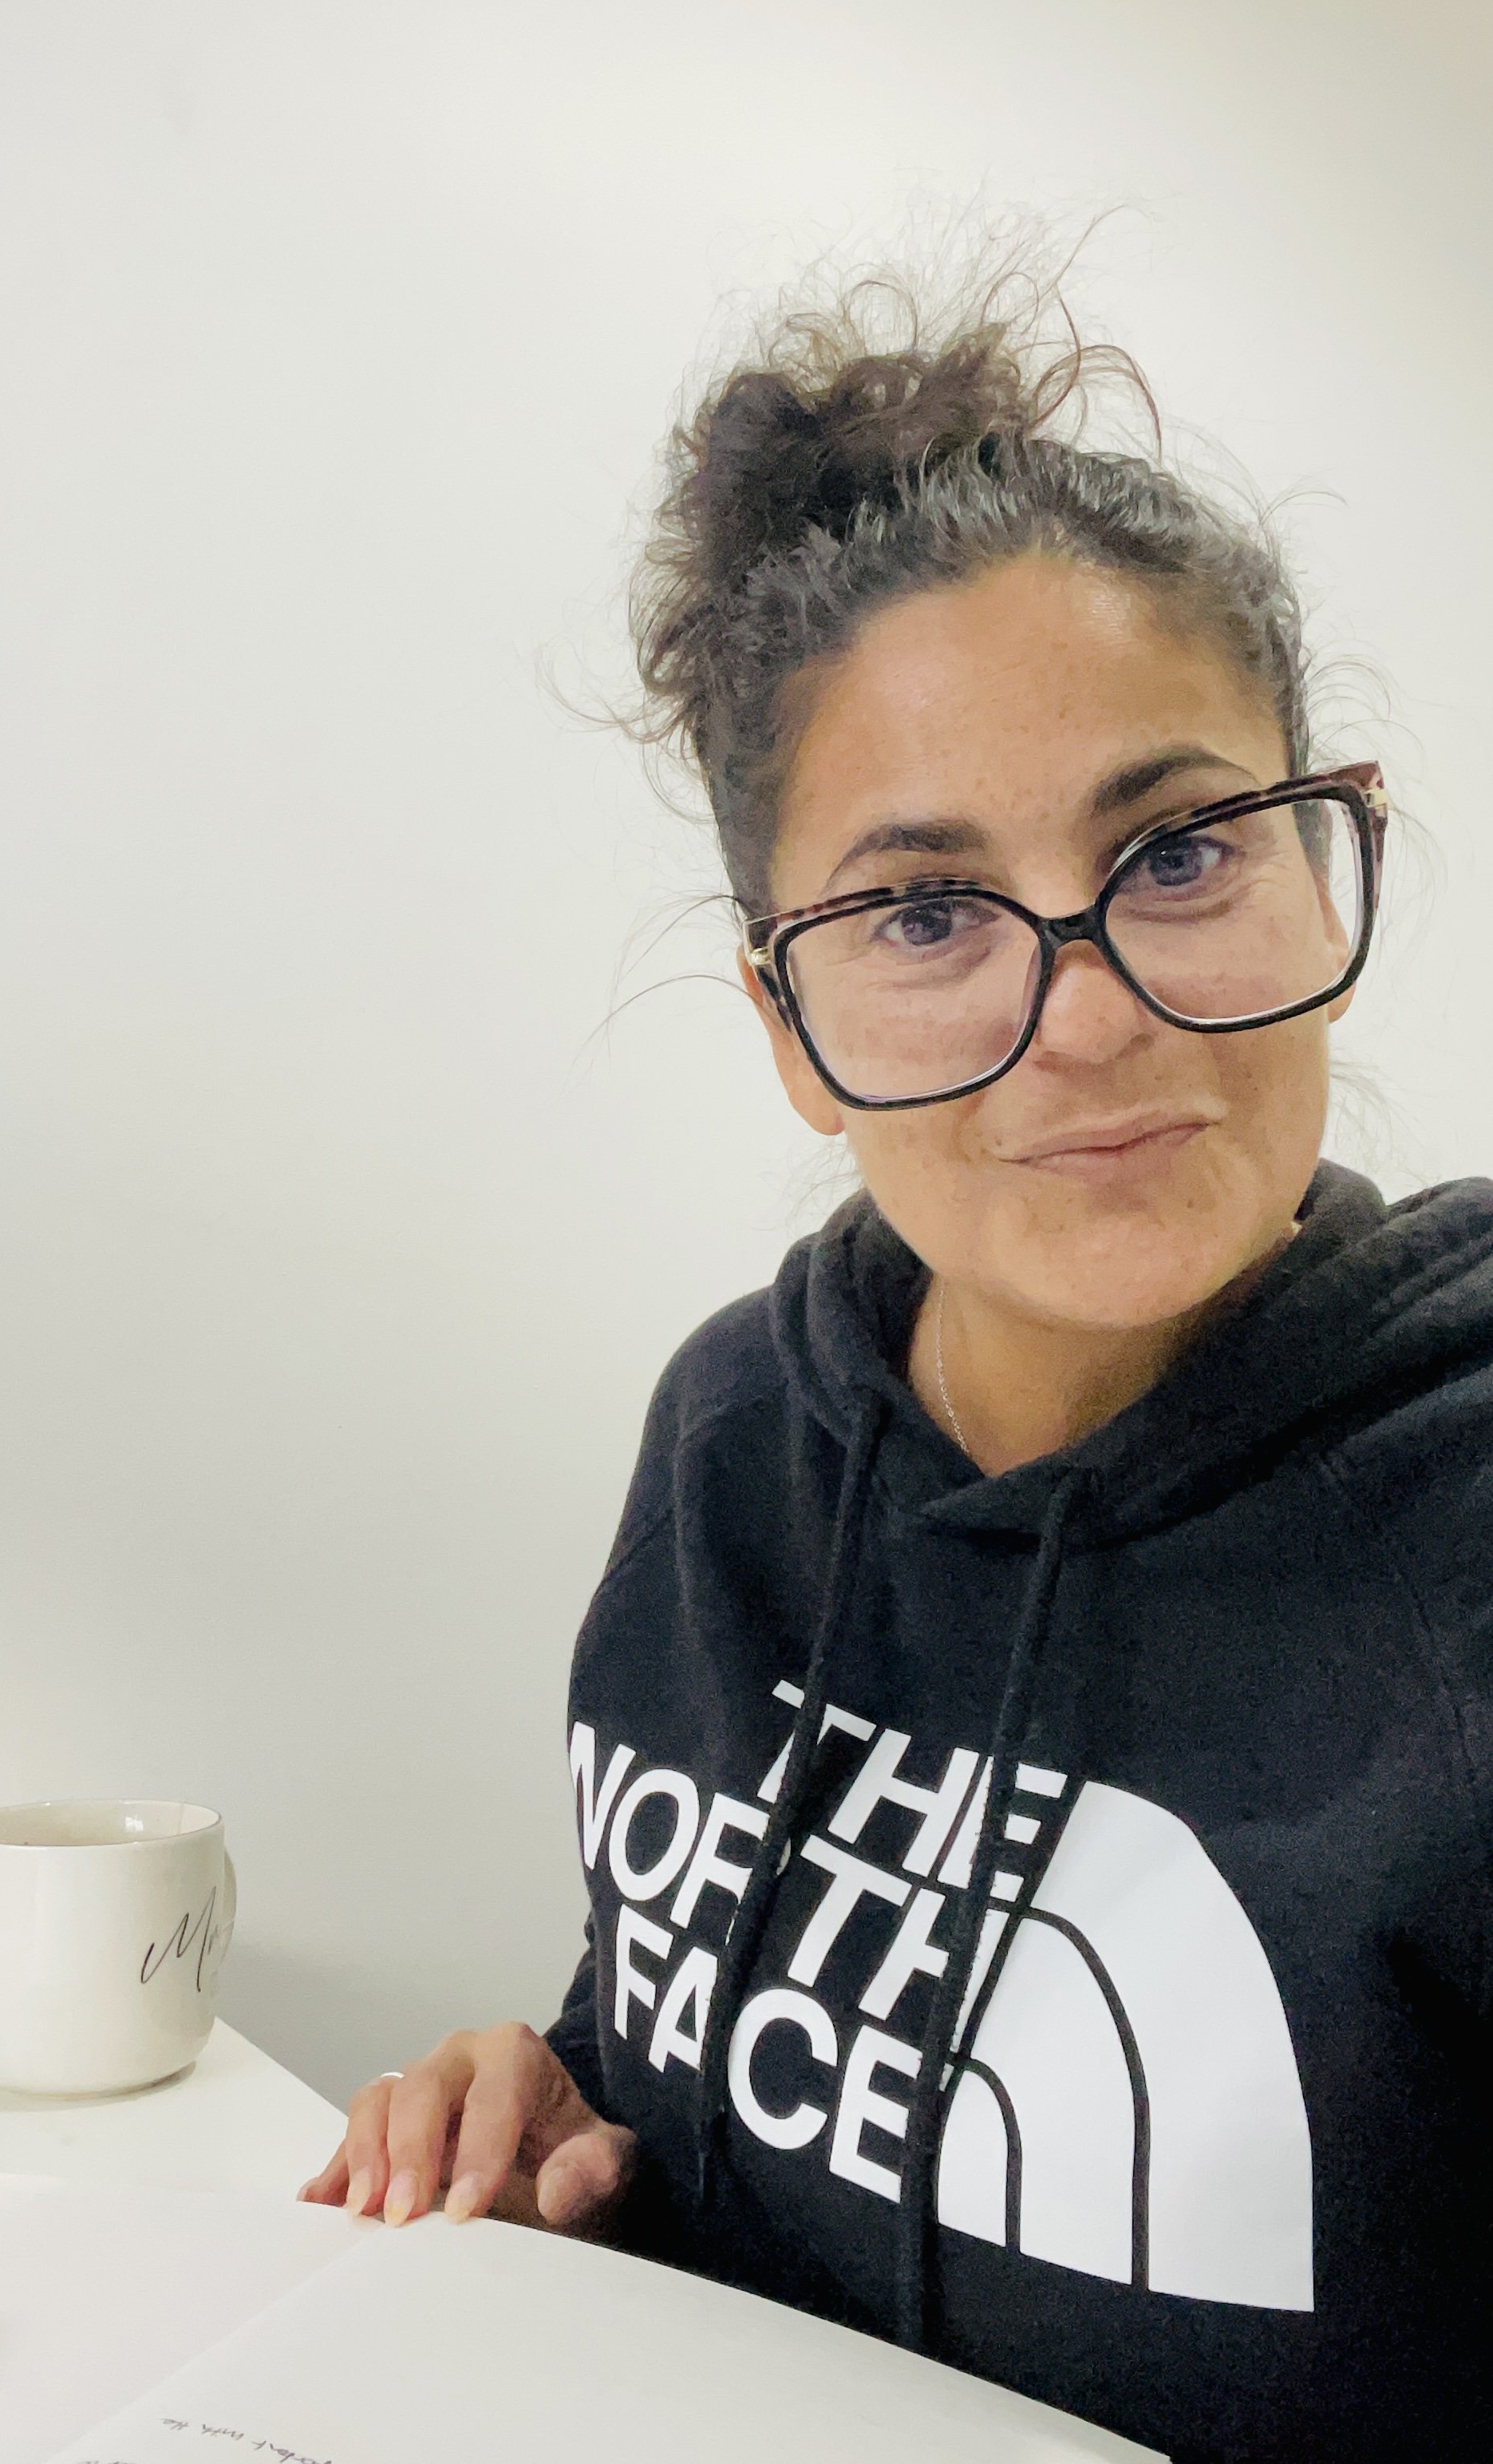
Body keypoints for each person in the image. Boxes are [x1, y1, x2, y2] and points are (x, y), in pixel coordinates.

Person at [301, 272, 1493, 2462]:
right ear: (784, 1027)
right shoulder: (735, 1438)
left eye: (1181, 851)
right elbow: (741, 2057)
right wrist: (578, 2109)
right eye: (925, 913)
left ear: (1323, 857)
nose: (1098, 1010)